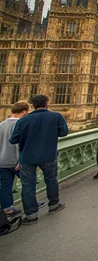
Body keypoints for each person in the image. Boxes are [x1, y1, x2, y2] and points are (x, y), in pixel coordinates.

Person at [9, 95, 68, 225]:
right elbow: (64, 132)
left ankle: (31, 215)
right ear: (47, 103)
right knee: (51, 180)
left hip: (27, 157)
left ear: (32, 105)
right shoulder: (56, 116)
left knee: (28, 186)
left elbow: (13, 139)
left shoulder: (23, 120)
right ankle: (54, 205)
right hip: (48, 155)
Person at [0, 102, 30, 216]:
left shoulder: (2, 124)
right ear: (23, 111)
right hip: (16, 161)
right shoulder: (20, 124)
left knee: (5, 186)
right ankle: (31, 204)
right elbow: (19, 144)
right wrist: (20, 160)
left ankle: (7, 209)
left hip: (2, 161)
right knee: (28, 183)